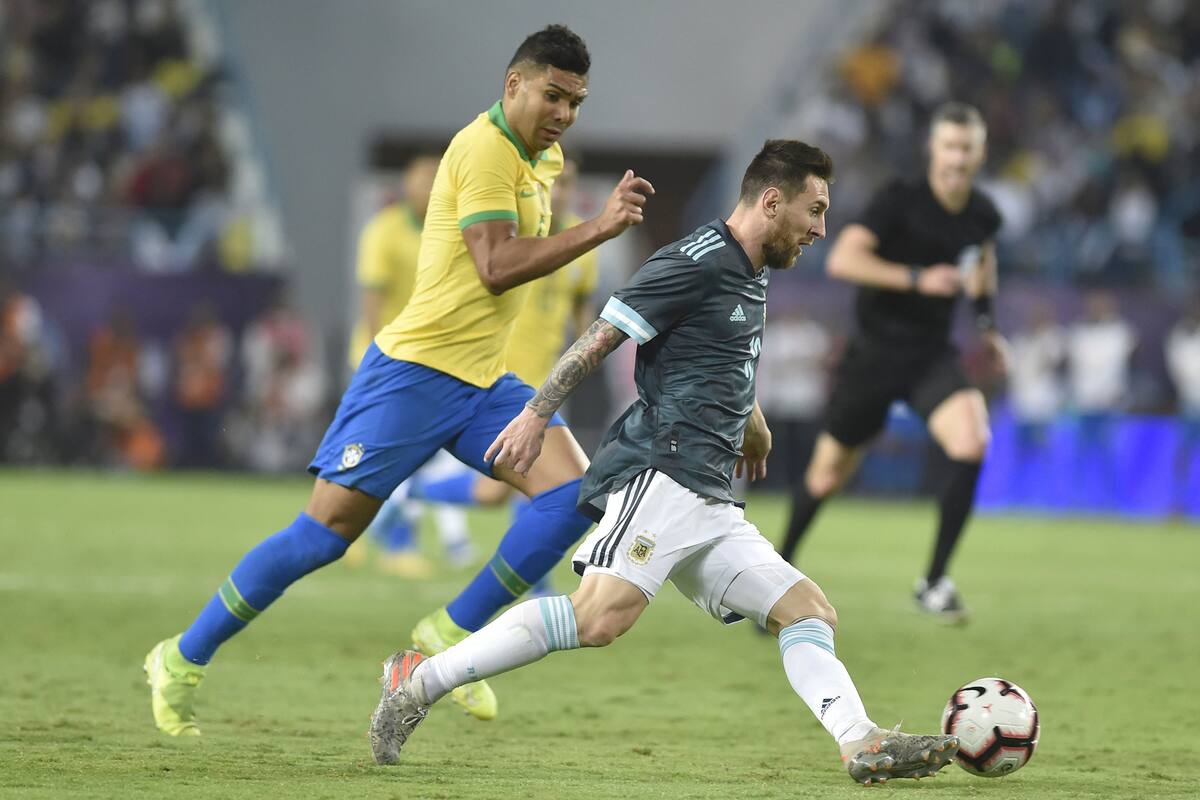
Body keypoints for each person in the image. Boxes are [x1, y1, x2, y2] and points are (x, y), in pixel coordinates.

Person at [366, 140, 959, 786]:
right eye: (814, 210)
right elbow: (604, 334)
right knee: (597, 618)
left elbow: (722, 357)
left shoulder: (754, 267)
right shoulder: (693, 262)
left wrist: (752, 425)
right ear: (770, 201)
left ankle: (859, 740)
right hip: (662, 470)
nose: (821, 228)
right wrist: (537, 415)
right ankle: (418, 681)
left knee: (808, 610)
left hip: (710, 495)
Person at [144, 24, 654, 736]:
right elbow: (496, 265)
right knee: (325, 535)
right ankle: (181, 656)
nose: (565, 113)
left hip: (482, 382)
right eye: (554, 95)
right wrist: (597, 229)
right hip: (413, 374)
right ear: (514, 85)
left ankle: (449, 630)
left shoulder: (544, 157)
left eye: (576, 101)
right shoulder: (483, 149)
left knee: (577, 493)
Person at [775, 102, 1006, 623]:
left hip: (930, 356)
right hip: (875, 354)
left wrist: (988, 327)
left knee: (973, 440)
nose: (957, 158)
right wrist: (918, 278)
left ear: (980, 152)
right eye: (949, 146)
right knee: (826, 477)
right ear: (933, 148)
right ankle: (777, 574)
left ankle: (934, 581)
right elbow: (842, 259)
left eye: (966, 148)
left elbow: (983, 264)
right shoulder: (899, 200)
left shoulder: (982, 214)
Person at [402, 156, 599, 592]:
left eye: (567, 182)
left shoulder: (583, 248)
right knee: (537, 481)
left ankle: (412, 493)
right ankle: (536, 580)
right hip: (501, 378)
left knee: (500, 491)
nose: (560, 190)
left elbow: (585, 320)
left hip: (547, 381)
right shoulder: (514, 234)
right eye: (554, 181)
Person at [344, 153, 474, 578]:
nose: (432, 188)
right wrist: (379, 361)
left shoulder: (452, 232)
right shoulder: (385, 230)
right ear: (407, 186)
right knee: (368, 453)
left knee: (410, 454)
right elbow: (372, 300)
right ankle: (372, 537)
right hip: (385, 360)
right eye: (424, 180)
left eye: (438, 181)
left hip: (429, 361)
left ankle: (396, 540)